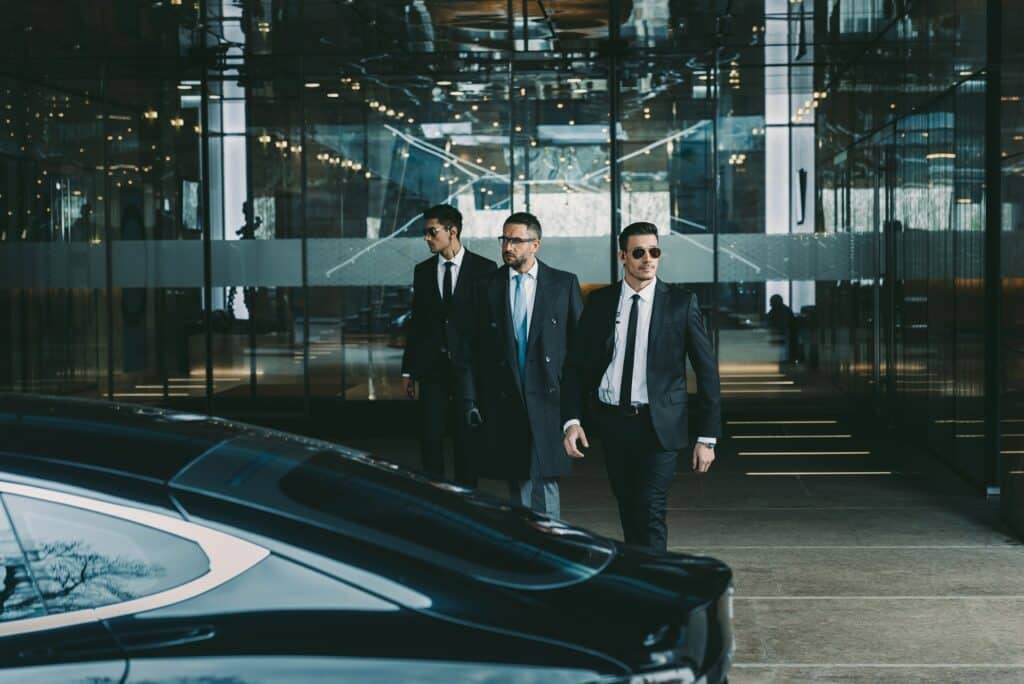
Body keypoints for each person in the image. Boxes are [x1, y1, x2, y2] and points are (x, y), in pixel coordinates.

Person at [562, 221, 721, 551]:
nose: (648, 259)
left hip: (659, 426)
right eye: (639, 252)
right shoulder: (601, 303)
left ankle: (656, 588)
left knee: (650, 510)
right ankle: (640, 580)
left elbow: (707, 372)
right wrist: (572, 420)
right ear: (623, 256)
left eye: (654, 251)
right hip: (614, 423)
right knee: (629, 510)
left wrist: (707, 437)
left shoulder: (680, 303)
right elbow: (576, 367)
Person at [460, 212, 583, 518]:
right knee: (519, 480)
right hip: (505, 397)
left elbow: (580, 350)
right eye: (504, 239)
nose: (507, 246)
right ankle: (530, 547)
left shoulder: (563, 284)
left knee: (546, 480)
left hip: (549, 397)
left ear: (535, 244)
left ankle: (553, 545)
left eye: (515, 240)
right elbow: (470, 347)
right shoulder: (486, 286)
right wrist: (471, 398)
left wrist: (576, 410)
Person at [402, 204, 495, 486]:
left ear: (452, 231)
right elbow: (417, 323)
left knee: (467, 442)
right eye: (425, 233)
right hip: (432, 372)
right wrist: (409, 371)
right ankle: (437, 500)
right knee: (430, 441)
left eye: (432, 232)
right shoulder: (423, 271)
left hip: (469, 371)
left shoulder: (484, 269)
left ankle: (467, 502)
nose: (427, 238)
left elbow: (489, 326)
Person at [766, 293, 794, 363]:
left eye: (772, 303)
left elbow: (783, 323)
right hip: (780, 334)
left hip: (781, 334)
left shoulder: (778, 311)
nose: (770, 305)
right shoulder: (784, 310)